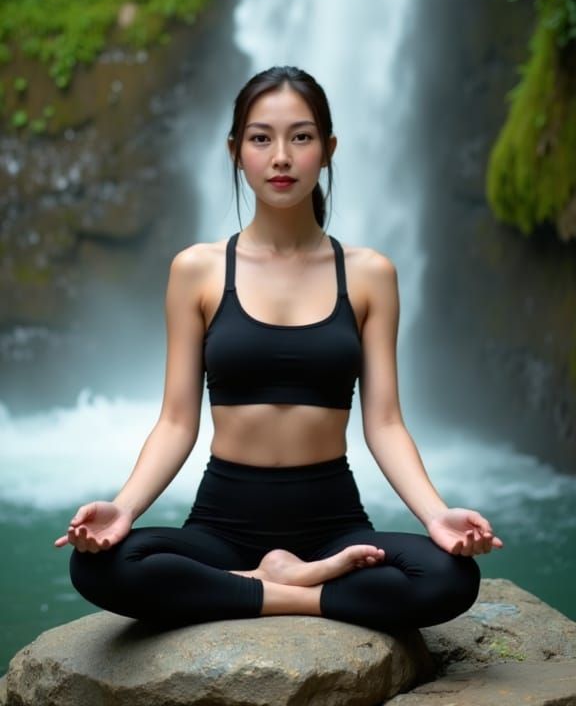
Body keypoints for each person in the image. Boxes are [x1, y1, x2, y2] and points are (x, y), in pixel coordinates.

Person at [55, 65, 503, 633]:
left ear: (328, 148)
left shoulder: (370, 275)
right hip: (220, 527)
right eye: (261, 138)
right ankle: (290, 585)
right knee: (97, 566)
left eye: (302, 136)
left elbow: (385, 423)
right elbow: (175, 422)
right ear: (236, 151)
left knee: (449, 577)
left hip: (335, 525)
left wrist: (437, 515)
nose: (282, 157)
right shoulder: (197, 270)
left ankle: (257, 588)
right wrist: (124, 509)